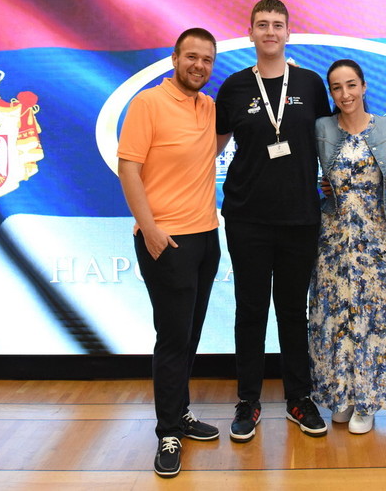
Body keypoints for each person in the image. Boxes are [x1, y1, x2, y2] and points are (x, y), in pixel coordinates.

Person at [215, 0, 332, 441]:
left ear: (287, 32)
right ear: (250, 33)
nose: (270, 31)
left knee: (292, 311)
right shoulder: (233, 87)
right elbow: (209, 149)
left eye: (277, 24)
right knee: (250, 310)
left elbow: (331, 142)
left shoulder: (310, 83)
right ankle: (248, 400)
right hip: (247, 218)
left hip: (300, 217)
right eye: (261, 24)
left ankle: (299, 398)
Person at [117, 28, 222, 478]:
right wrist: (151, 230)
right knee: (173, 338)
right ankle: (168, 432)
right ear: (175, 58)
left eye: (207, 60)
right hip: (168, 241)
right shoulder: (147, 103)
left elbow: (211, 149)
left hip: (206, 238)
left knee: (190, 335)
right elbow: (128, 168)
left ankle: (180, 412)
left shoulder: (208, 106)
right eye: (192, 57)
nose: (199, 66)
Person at [310, 59, 386, 435]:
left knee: (373, 317)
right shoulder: (322, 128)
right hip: (332, 239)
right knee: (335, 318)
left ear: (364, 87)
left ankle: (368, 402)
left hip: (375, 239)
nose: (345, 93)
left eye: (351, 85)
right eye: (337, 87)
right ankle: (343, 396)